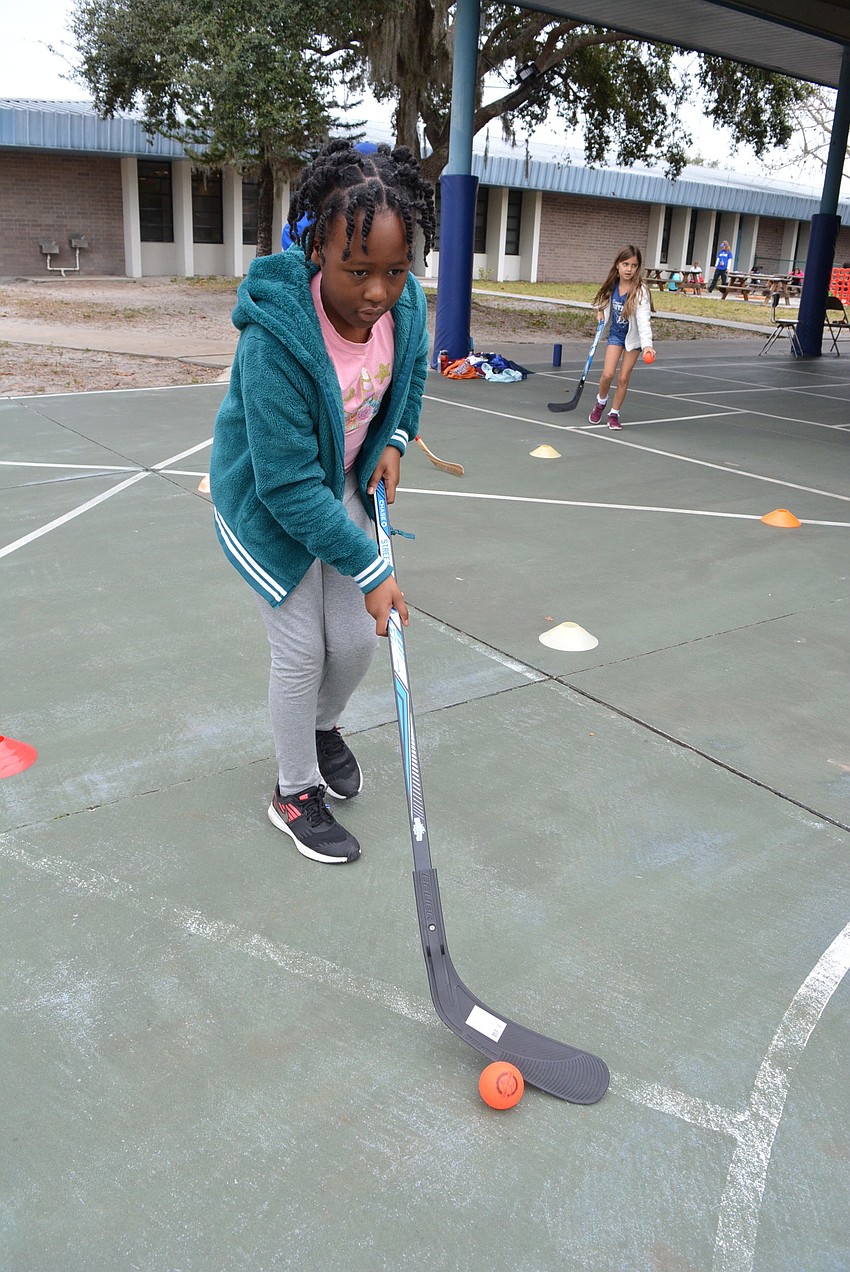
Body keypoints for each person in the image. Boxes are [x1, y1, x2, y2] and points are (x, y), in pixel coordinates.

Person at [210, 140, 435, 865]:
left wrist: (396, 436)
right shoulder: (275, 344)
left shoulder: (406, 310)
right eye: (358, 269)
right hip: (271, 500)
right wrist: (373, 568)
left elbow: (414, 376)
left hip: (339, 485)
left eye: (395, 272)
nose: (377, 291)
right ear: (317, 250)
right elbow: (286, 487)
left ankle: (321, 727)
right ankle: (293, 788)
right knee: (303, 648)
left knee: (352, 648)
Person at [587, 245, 655, 430]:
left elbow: (643, 320)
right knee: (607, 375)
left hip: (633, 339)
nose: (629, 269)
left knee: (623, 378)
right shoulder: (612, 284)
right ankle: (601, 402)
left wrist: (647, 345)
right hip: (616, 335)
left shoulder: (640, 291)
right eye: (625, 264)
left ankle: (614, 413)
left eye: (634, 265)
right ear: (617, 264)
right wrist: (600, 311)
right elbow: (601, 302)